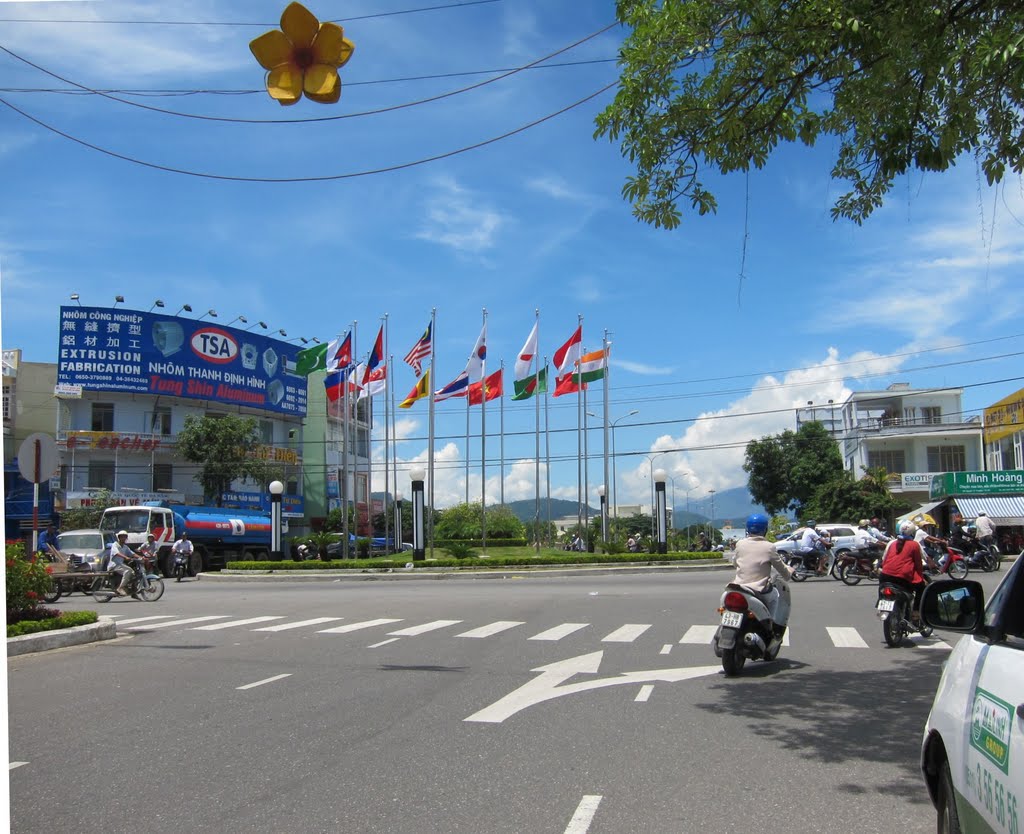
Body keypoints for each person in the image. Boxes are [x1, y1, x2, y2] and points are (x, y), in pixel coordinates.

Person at [731, 513, 796, 626]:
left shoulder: (740, 544)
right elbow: (781, 568)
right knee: (775, 595)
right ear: (765, 529)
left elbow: (735, 563)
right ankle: (769, 625)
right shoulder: (769, 547)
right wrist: (788, 572)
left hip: (738, 587)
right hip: (758, 590)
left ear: (747, 529)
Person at [879, 521, 934, 620]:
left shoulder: (892, 543)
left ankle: (881, 604)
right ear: (912, 533)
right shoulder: (914, 545)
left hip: (884, 575)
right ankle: (916, 613)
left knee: (883, 590)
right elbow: (918, 564)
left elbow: (884, 560)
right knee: (921, 588)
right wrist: (921, 578)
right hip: (902, 578)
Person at [108, 530, 136, 596]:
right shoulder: (115, 545)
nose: (123, 538)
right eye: (122, 537)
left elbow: (132, 554)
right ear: (119, 538)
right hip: (114, 566)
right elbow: (117, 553)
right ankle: (120, 588)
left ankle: (131, 590)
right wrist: (125, 557)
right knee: (128, 571)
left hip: (120, 565)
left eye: (125, 537)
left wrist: (142, 558)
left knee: (133, 572)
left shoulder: (125, 547)